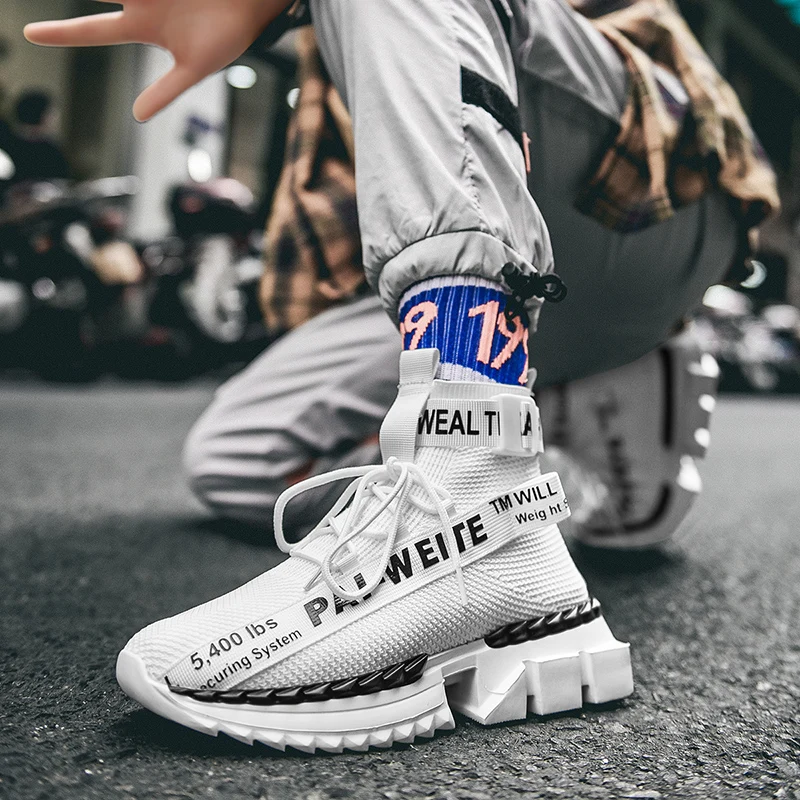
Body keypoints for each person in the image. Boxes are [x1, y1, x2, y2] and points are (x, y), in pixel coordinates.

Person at [26, 0, 778, 753]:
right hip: (486, 250)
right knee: (235, 461)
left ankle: (475, 472)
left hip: (645, 189)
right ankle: (524, 464)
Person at [5, 89, 70, 184]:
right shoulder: (50, 151)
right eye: (51, 114)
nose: (55, 119)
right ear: (43, 116)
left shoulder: (8, 143)